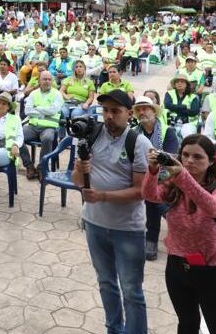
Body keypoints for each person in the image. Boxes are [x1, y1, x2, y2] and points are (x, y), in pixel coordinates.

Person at [73, 89, 149, 334]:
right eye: (105, 110)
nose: (109, 116)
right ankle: (113, 329)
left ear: (129, 113)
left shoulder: (138, 143)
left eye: (115, 111)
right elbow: (77, 180)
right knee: (106, 283)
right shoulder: (91, 135)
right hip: (94, 224)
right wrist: (80, 168)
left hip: (127, 228)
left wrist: (103, 196)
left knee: (131, 290)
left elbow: (141, 191)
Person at [143, 134, 216, 334]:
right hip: (178, 266)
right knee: (186, 325)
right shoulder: (175, 185)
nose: (189, 161)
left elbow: (213, 208)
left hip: (214, 272)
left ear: (211, 161)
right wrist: (152, 171)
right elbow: (150, 195)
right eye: (185, 155)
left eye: (197, 157)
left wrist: (182, 177)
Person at [133, 96, 179, 262]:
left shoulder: (168, 131)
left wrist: (153, 164)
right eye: (138, 109)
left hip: (165, 178)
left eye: (145, 108)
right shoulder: (133, 132)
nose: (141, 112)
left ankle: (151, 240)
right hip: (141, 176)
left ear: (154, 111)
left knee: (151, 197)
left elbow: (173, 157)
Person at [19, 71, 64, 180]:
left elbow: (54, 110)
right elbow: (27, 110)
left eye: (49, 79)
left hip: (49, 127)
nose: (47, 81)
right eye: (44, 79)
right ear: (39, 80)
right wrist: (44, 112)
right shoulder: (34, 94)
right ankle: (29, 166)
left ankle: (41, 168)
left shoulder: (57, 94)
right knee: (17, 136)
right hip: (32, 126)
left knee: (48, 138)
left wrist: (37, 108)